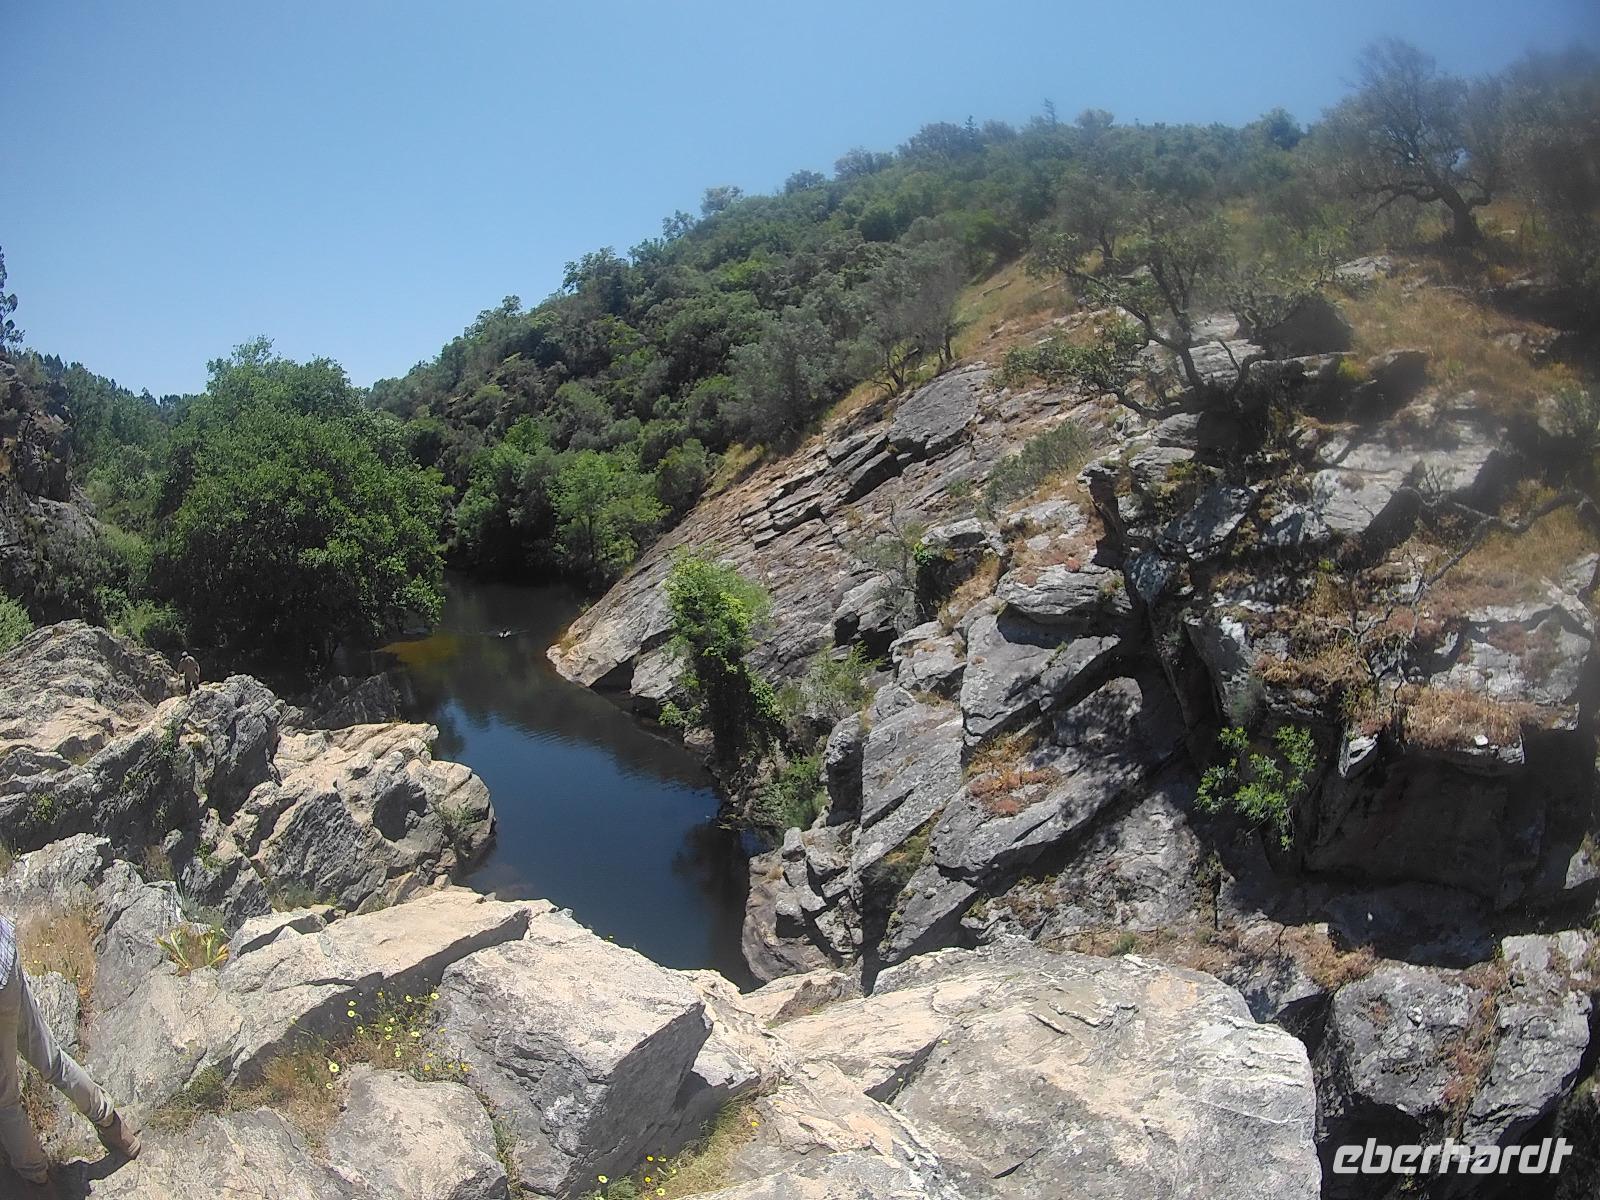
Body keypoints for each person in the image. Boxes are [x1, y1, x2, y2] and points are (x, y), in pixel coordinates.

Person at [0, 915, 141, 1185]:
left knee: (5, 1102)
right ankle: (114, 1127)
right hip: (5, 959)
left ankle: (36, 1178)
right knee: (52, 1060)